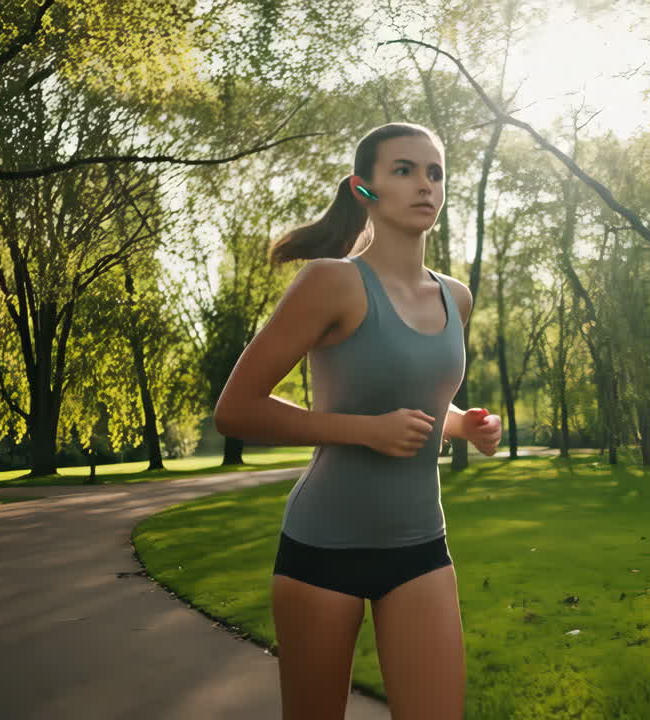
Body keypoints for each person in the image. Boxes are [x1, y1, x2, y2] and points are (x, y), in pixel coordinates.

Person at [213, 122, 502, 720]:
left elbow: (417, 404)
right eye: (404, 170)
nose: (425, 184)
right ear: (363, 188)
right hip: (324, 549)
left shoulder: (457, 298)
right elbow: (236, 409)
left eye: (435, 172)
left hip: (421, 546)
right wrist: (364, 431)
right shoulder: (330, 282)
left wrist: (462, 426)